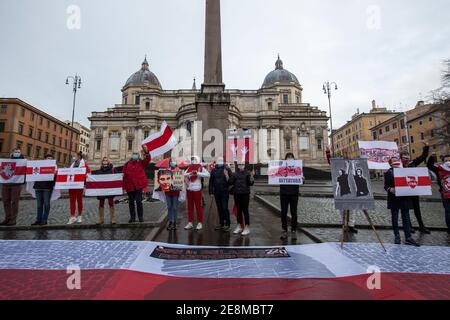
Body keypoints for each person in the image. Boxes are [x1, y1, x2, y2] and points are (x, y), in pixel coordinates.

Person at [384, 157, 420, 246]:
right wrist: (390, 189)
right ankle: (397, 236)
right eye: (393, 161)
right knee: (395, 218)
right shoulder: (389, 172)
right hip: (394, 198)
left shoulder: (405, 170)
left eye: (397, 160)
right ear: (390, 164)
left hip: (405, 198)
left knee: (406, 218)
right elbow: (386, 186)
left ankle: (408, 237)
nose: (396, 161)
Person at [400, 142, 431, 234]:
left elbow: (423, 156)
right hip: (405, 192)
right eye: (404, 157)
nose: (406, 158)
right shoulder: (398, 166)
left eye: (407, 156)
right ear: (401, 158)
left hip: (414, 190)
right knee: (406, 210)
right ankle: (409, 226)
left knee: (417, 209)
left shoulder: (413, 163)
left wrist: (426, 146)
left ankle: (421, 226)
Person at [326, 146, 358, 233]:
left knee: (352, 208)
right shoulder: (339, 162)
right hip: (342, 188)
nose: (347, 155)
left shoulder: (353, 162)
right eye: (345, 153)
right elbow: (330, 162)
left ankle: (351, 225)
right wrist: (328, 152)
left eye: (348, 153)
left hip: (352, 188)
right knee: (342, 208)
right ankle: (344, 224)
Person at [122, 146, 151, 223]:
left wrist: (147, 152)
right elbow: (124, 175)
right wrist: (124, 187)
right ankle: (132, 217)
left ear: (138, 156)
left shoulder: (141, 163)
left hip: (138, 186)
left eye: (136, 154)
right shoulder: (126, 164)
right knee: (131, 202)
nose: (135, 155)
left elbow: (148, 159)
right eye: (134, 154)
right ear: (132, 156)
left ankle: (140, 217)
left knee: (138, 201)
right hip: (129, 186)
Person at [227, 162, 255, 236]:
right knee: (238, 210)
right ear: (238, 166)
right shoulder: (235, 174)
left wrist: (252, 177)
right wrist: (227, 176)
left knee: (245, 210)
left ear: (244, 165)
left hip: (245, 194)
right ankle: (239, 225)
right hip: (237, 194)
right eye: (239, 165)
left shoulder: (248, 173)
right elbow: (230, 182)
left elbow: (250, 183)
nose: (241, 166)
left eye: (242, 165)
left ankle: (247, 227)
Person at [184, 156, 210, 231]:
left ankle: (199, 222)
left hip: (197, 189)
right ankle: (190, 222)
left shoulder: (201, 168)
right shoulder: (189, 168)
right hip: (189, 189)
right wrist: (190, 173)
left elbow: (208, 175)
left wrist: (197, 173)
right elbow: (184, 174)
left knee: (198, 206)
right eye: (192, 160)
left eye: (194, 160)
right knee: (190, 207)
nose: (193, 161)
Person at [31, 154, 57, 226]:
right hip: (38, 187)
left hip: (48, 187)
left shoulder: (54, 166)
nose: (49, 159)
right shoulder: (39, 165)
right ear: (44, 159)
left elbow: (55, 178)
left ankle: (44, 220)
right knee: (39, 205)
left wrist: (55, 174)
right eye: (48, 158)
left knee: (46, 204)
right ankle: (38, 220)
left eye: (51, 158)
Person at [0, 148, 25, 226]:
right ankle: (7, 218)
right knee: (5, 201)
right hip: (5, 183)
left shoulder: (24, 162)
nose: (16, 153)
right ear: (12, 153)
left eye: (18, 152)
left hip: (16, 184)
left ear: (20, 153)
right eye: (15, 152)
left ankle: (13, 220)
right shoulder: (6, 161)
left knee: (14, 202)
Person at [427, 154, 450, 234]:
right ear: (443, 161)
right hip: (445, 194)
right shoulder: (439, 168)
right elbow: (429, 166)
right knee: (448, 211)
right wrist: (432, 157)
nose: (448, 162)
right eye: (446, 160)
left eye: (449, 160)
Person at [280, 153, 300, 240]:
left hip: (294, 194)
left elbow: (301, 180)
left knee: (294, 213)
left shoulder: (298, 168)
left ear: (294, 159)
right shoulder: (282, 169)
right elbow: (277, 178)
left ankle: (293, 230)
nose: (290, 159)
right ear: (286, 159)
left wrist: (303, 180)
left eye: (291, 157)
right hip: (284, 194)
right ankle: (284, 230)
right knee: (283, 213)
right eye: (288, 157)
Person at [209, 156, 232, 232]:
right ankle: (221, 223)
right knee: (219, 208)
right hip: (217, 192)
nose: (220, 162)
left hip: (225, 192)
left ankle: (227, 224)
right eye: (218, 160)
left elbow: (231, 181)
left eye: (221, 160)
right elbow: (211, 182)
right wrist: (211, 192)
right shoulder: (213, 170)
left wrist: (227, 175)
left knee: (224, 208)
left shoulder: (227, 169)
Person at [67, 152, 90, 225]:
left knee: (79, 200)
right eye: (73, 156)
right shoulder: (72, 165)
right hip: (71, 185)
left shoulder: (84, 164)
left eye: (75, 156)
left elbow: (89, 172)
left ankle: (79, 216)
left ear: (79, 157)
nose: (73, 157)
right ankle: (72, 216)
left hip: (79, 185)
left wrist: (86, 176)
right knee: (72, 201)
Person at [94, 157, 116, 225]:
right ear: (102, 162)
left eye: (106, 160)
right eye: (104, 160)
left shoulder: (112, 170)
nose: (105, 161)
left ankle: (112, 219)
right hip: (102, 190)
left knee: (111, 203)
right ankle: (101, 219)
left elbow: (116, 176)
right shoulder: (99, 170)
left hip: (109, 189)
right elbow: (95, 178)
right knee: (101, 203)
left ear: (108, 162)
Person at [164, 159, 181, 230]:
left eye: (173, 161)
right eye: (171, 161)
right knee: (169, 207)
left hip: (175, 192)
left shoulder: (178, 170)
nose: (172, 162)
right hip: (168, 191)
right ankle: (170, 221)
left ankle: (175, 222)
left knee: (174, 207)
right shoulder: (166, 170)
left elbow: (180, 180)